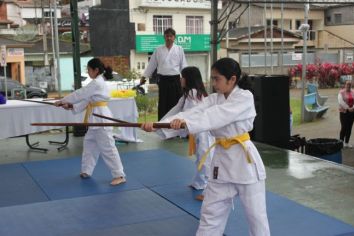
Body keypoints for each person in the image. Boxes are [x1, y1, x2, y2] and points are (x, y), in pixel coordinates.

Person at [142, 58, 270, 236]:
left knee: (256, 218)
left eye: (217, 79)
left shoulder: (244, 98)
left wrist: (185, 123)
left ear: (232, 79)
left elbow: (216, 116)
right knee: (210, 215)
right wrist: (158, 125)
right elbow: (192, 112)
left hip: (244, 163)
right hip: (222, 165)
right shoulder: (214, 99)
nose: (214, 83)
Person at [54, 58, 126, 186]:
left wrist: (63, 100)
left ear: (96, 70)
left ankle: (119, 175)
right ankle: (86, 170)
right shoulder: (96, 83)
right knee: (89, 145)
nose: (88, 72)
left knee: (108, 148)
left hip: (101, 118)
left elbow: (80, 94)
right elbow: (87, 100)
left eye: (89, 69)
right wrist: (71, 106)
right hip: (94, 117)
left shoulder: (97, 83)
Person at [154, 66, 215, 193]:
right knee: (202, 157)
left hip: (204, 131)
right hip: (199, 130)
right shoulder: (191, 93)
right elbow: (176, 111)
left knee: (205, 158)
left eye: (183, 77)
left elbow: (188, 115)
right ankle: (199, 182)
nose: (180, 80)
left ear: (189, 79)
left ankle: (208, 188)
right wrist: (158, 125)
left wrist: (158, 126)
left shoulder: (193, 93)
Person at [141, 27, 188, 120]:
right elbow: (152, 64)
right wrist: (144, 76)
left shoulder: (179, 49)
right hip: (163, 80)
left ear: (174, 37)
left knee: (176, 103)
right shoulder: (158, 50)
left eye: (171, 36)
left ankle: (176, 124)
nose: (169, 38)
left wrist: (187, 78)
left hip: (175, 80)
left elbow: (183, 65)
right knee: (163, 102)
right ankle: (163, 124)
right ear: (164, 37)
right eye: (167, 36)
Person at [338, 80, 354, 148]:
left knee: (349, 127)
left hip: (352, 112)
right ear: (345, 85)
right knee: (344, 127)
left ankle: (347, 142)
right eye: (347, 84)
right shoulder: (341, 92)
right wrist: (348, 108)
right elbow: (340, 101)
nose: (349, 85)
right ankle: (340, 142)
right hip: (344, 112)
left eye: (350, 84)